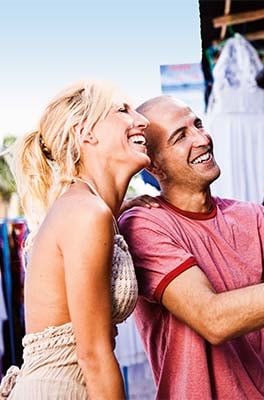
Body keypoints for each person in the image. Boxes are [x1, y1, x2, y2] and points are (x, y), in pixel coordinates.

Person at [119, 96, 264, 398]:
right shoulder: (145, 225)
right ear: (153, 164)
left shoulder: (256, 218)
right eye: (180, 136)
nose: (202, 138)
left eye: (197, 124)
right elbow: (213, 319)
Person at [0, 81, 150, 398]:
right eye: (123, 110)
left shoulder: (87, 209)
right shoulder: (86, 214)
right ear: (86, 133)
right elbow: (93, 356)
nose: (142, 121)